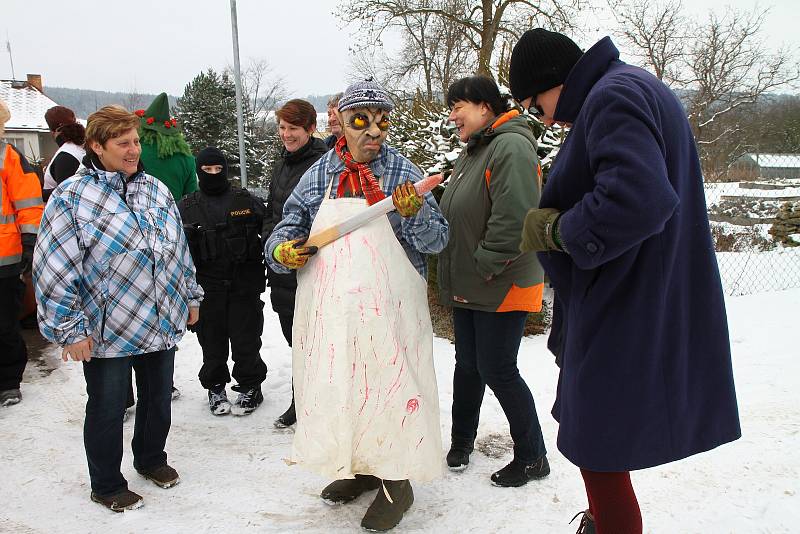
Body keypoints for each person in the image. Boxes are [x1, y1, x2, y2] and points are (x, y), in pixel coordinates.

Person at [509, 29, 741, 534]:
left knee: (598, 440)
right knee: (600, 437)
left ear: (553, 82)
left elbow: (638, 197)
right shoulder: (628, 87)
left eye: (534, 104)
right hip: (635, 292)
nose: (541, 118)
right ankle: (606, 522)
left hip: (627, 301)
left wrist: (557, 229)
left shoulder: (612, 96)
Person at [265, 79, 449, 532]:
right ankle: (363, 468)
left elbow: (438, 240)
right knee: (347, 388)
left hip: (391, 311)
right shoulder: (319, 174)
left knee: (390, 390)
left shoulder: (402, 172)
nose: (373, 132)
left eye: (380, 123)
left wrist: (417, 213)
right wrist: (282, 251)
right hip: (335, 312)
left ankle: (396, 482)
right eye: (360, 122)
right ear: (341, 123)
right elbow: (287, 227)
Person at [33, 105, 203, 512]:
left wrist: (190, 295)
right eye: (122, 143)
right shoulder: (72, 197)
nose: (133, 150)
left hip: (159, 316)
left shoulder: (155, 190)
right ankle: (107, 483)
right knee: (109, 406)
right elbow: (53, 265)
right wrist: (69, 329)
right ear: (96, 145)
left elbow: (177, 249)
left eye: (136, 141)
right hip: (106, 326)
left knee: (158, 399)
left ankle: (151, 459)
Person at [436, 76, 549, 487]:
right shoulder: (476, 151)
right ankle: (461, 441)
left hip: (501, 279)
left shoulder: (511, 146)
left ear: (485, 107)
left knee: (498, 368)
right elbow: (464, 207)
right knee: (468, 365)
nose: (452, 115)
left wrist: (485, 262)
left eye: (458, 106)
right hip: (474, 281)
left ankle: (534, 457)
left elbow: (515, 216)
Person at [179, 147, 268, 416]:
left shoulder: (247, 201)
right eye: (207, 170)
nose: (214, 174)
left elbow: (271, 231)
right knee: (212, 343)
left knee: (247, 341)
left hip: (244, 286)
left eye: (219, 169)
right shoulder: (186, 207)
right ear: (199, 172)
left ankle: (251, 385)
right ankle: (215, 387)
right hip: (207, 289)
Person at [264, 99, 328, 427]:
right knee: (297, 342)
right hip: (282, 268)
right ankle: (302, 398)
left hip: (311, 268)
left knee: (315, 342)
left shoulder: (321, 165)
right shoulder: (283, 163)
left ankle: (311, 404)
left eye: (293, 128)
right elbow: (276, 214)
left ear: (311, 129)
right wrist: (270, 247)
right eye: (282, 128)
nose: (286, 134)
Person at [133, 92, 197, 404]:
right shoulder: (185, 159)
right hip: (172, 240)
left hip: (131, 240)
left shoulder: (136, 153)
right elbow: (192, 197)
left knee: (132, 309)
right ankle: (162, 382)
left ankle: (125, 389)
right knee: (162, 309)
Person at [0, 98, 43, 407]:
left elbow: (28, 202)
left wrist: (29, 243)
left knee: (5, 324)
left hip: (6, 256)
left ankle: (8, 380)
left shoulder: (7, 155)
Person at [42, 106, 86, 202]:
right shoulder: (80, 148)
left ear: (53, 132)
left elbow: (67, 193)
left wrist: (39, 193)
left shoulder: (65, 156)